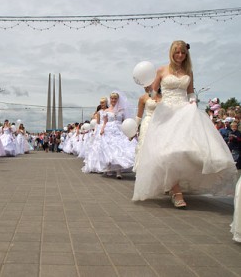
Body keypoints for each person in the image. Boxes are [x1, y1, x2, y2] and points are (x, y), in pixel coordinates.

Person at [132, 40, 238, 208]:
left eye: (183, 52)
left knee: (187, 150)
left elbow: (190, 93)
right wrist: (155, 95)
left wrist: (193, 102)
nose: (180, 55)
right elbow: (153, 92)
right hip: (166, 113)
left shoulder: (188, 71)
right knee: (167, 152)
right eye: (177, 52)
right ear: (171, 53)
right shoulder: (162, 70)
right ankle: (176, 191)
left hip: (184, 111)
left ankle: (177, 185)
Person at [82, 92, 136, 178]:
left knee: (119, 150)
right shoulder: (106, 111)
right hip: (109, 130)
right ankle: (108, 168)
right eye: (112, 98)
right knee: (109, 150)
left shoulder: (121, 110)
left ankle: (118, 171)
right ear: (110, 99)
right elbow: (105, 122)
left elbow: (125, 121)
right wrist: (102, 130)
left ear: (118, 100)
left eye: (115, 98)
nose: (113, 100)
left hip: (119, 130)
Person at [133, 85, 162, 171]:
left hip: (161, 123)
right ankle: (144, 172)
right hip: (147, 124)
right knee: (145, 147)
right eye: (144, 85)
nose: (145, 86)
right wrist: (133, 130)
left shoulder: (164, 96)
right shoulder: (143, 98)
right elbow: (139, 116)